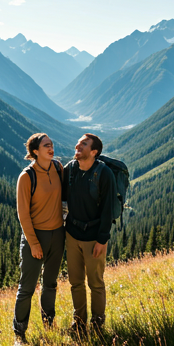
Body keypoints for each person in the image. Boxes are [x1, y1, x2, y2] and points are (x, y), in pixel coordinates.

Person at [13, 133, 65, 346]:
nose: (51, 148)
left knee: (50, 284)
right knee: (27, 288)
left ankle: (49, 324)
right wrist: (33, 243)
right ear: (35, 151)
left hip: (57, 234)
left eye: (51, 144)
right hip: (36, 236)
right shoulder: (27, 176)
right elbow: (23, 214)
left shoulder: (58, 168)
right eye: (46, 145)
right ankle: (19, 334)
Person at [63, 133, 117, 335]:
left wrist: (102, 239)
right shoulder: (70, 169)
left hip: (94, 237)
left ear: (94, 152)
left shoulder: (104, 174)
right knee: (75, 282)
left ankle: (97, 325)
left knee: (95, 283)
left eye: (83, 144)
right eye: (79, 142)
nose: (78, 145)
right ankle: (79, 324)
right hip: (72, 235)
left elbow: (108, 209)